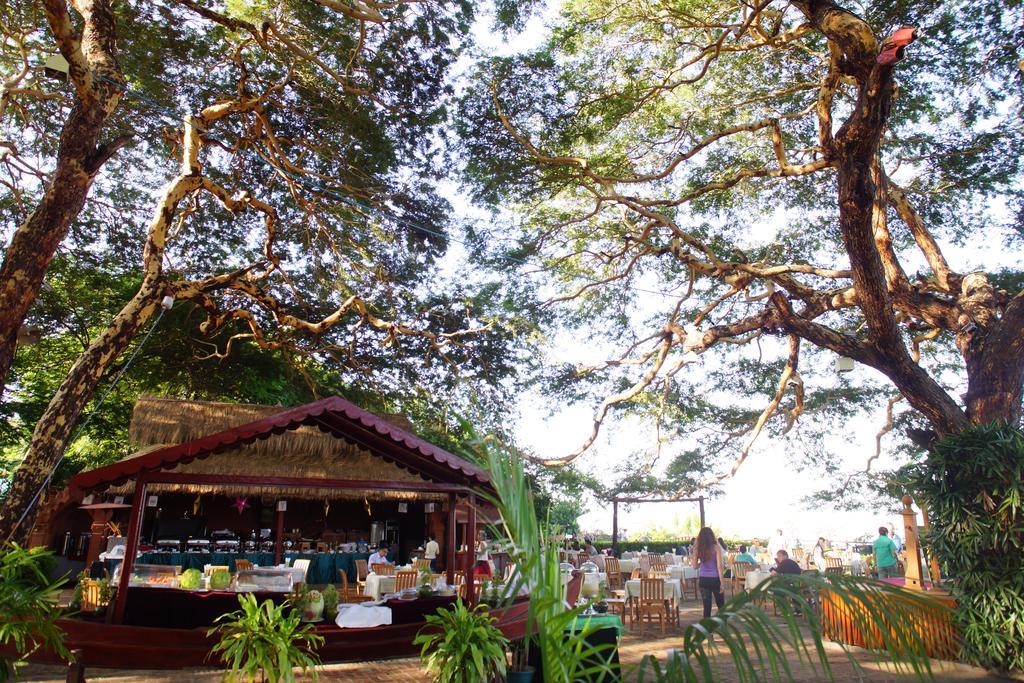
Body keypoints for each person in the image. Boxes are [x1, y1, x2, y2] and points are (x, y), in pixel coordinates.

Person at [691, 527, 725, 619]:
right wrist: (722, 582)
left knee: (707, 607)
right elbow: (719, 566)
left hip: (703, 580)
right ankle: (724, 628)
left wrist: (701, 562)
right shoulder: (716, 547)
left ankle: (707, 632)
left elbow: (694, 566)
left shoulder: (697, 548)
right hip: (715, 579)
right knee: (721, 606)